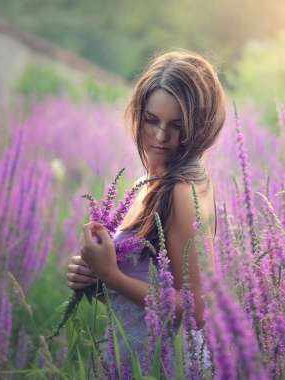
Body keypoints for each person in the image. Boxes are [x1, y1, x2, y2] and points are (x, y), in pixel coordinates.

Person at [66, 48, 226, 377]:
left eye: (176, 126)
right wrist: (96, 279)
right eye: (152, 120)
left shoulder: (180, 192)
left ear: (199, 127)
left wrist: (111, 275)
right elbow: (144, 288)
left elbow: (196, 311)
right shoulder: (150, 182)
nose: (160, 136)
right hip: (133, 359)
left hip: (163, 367)